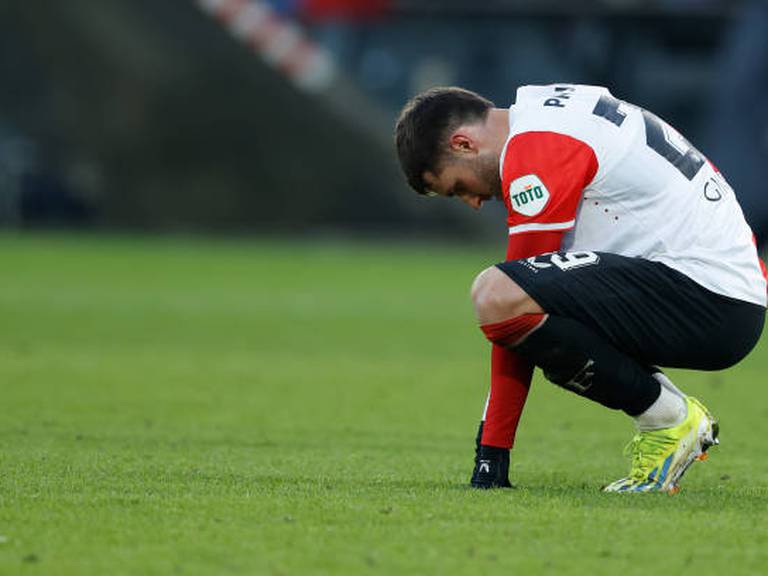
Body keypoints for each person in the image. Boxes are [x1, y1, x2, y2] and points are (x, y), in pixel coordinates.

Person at [394, 84, 767, 493]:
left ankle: (670, 420)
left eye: (457, 188)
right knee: (546, 331)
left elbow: (507, 300)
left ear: (463, 144)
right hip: (724, 290)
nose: (473, 201)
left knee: (497, 296)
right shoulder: (546, 107)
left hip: (709, 298)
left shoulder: (536, 151)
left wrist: (492, 453)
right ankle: (671, 417)